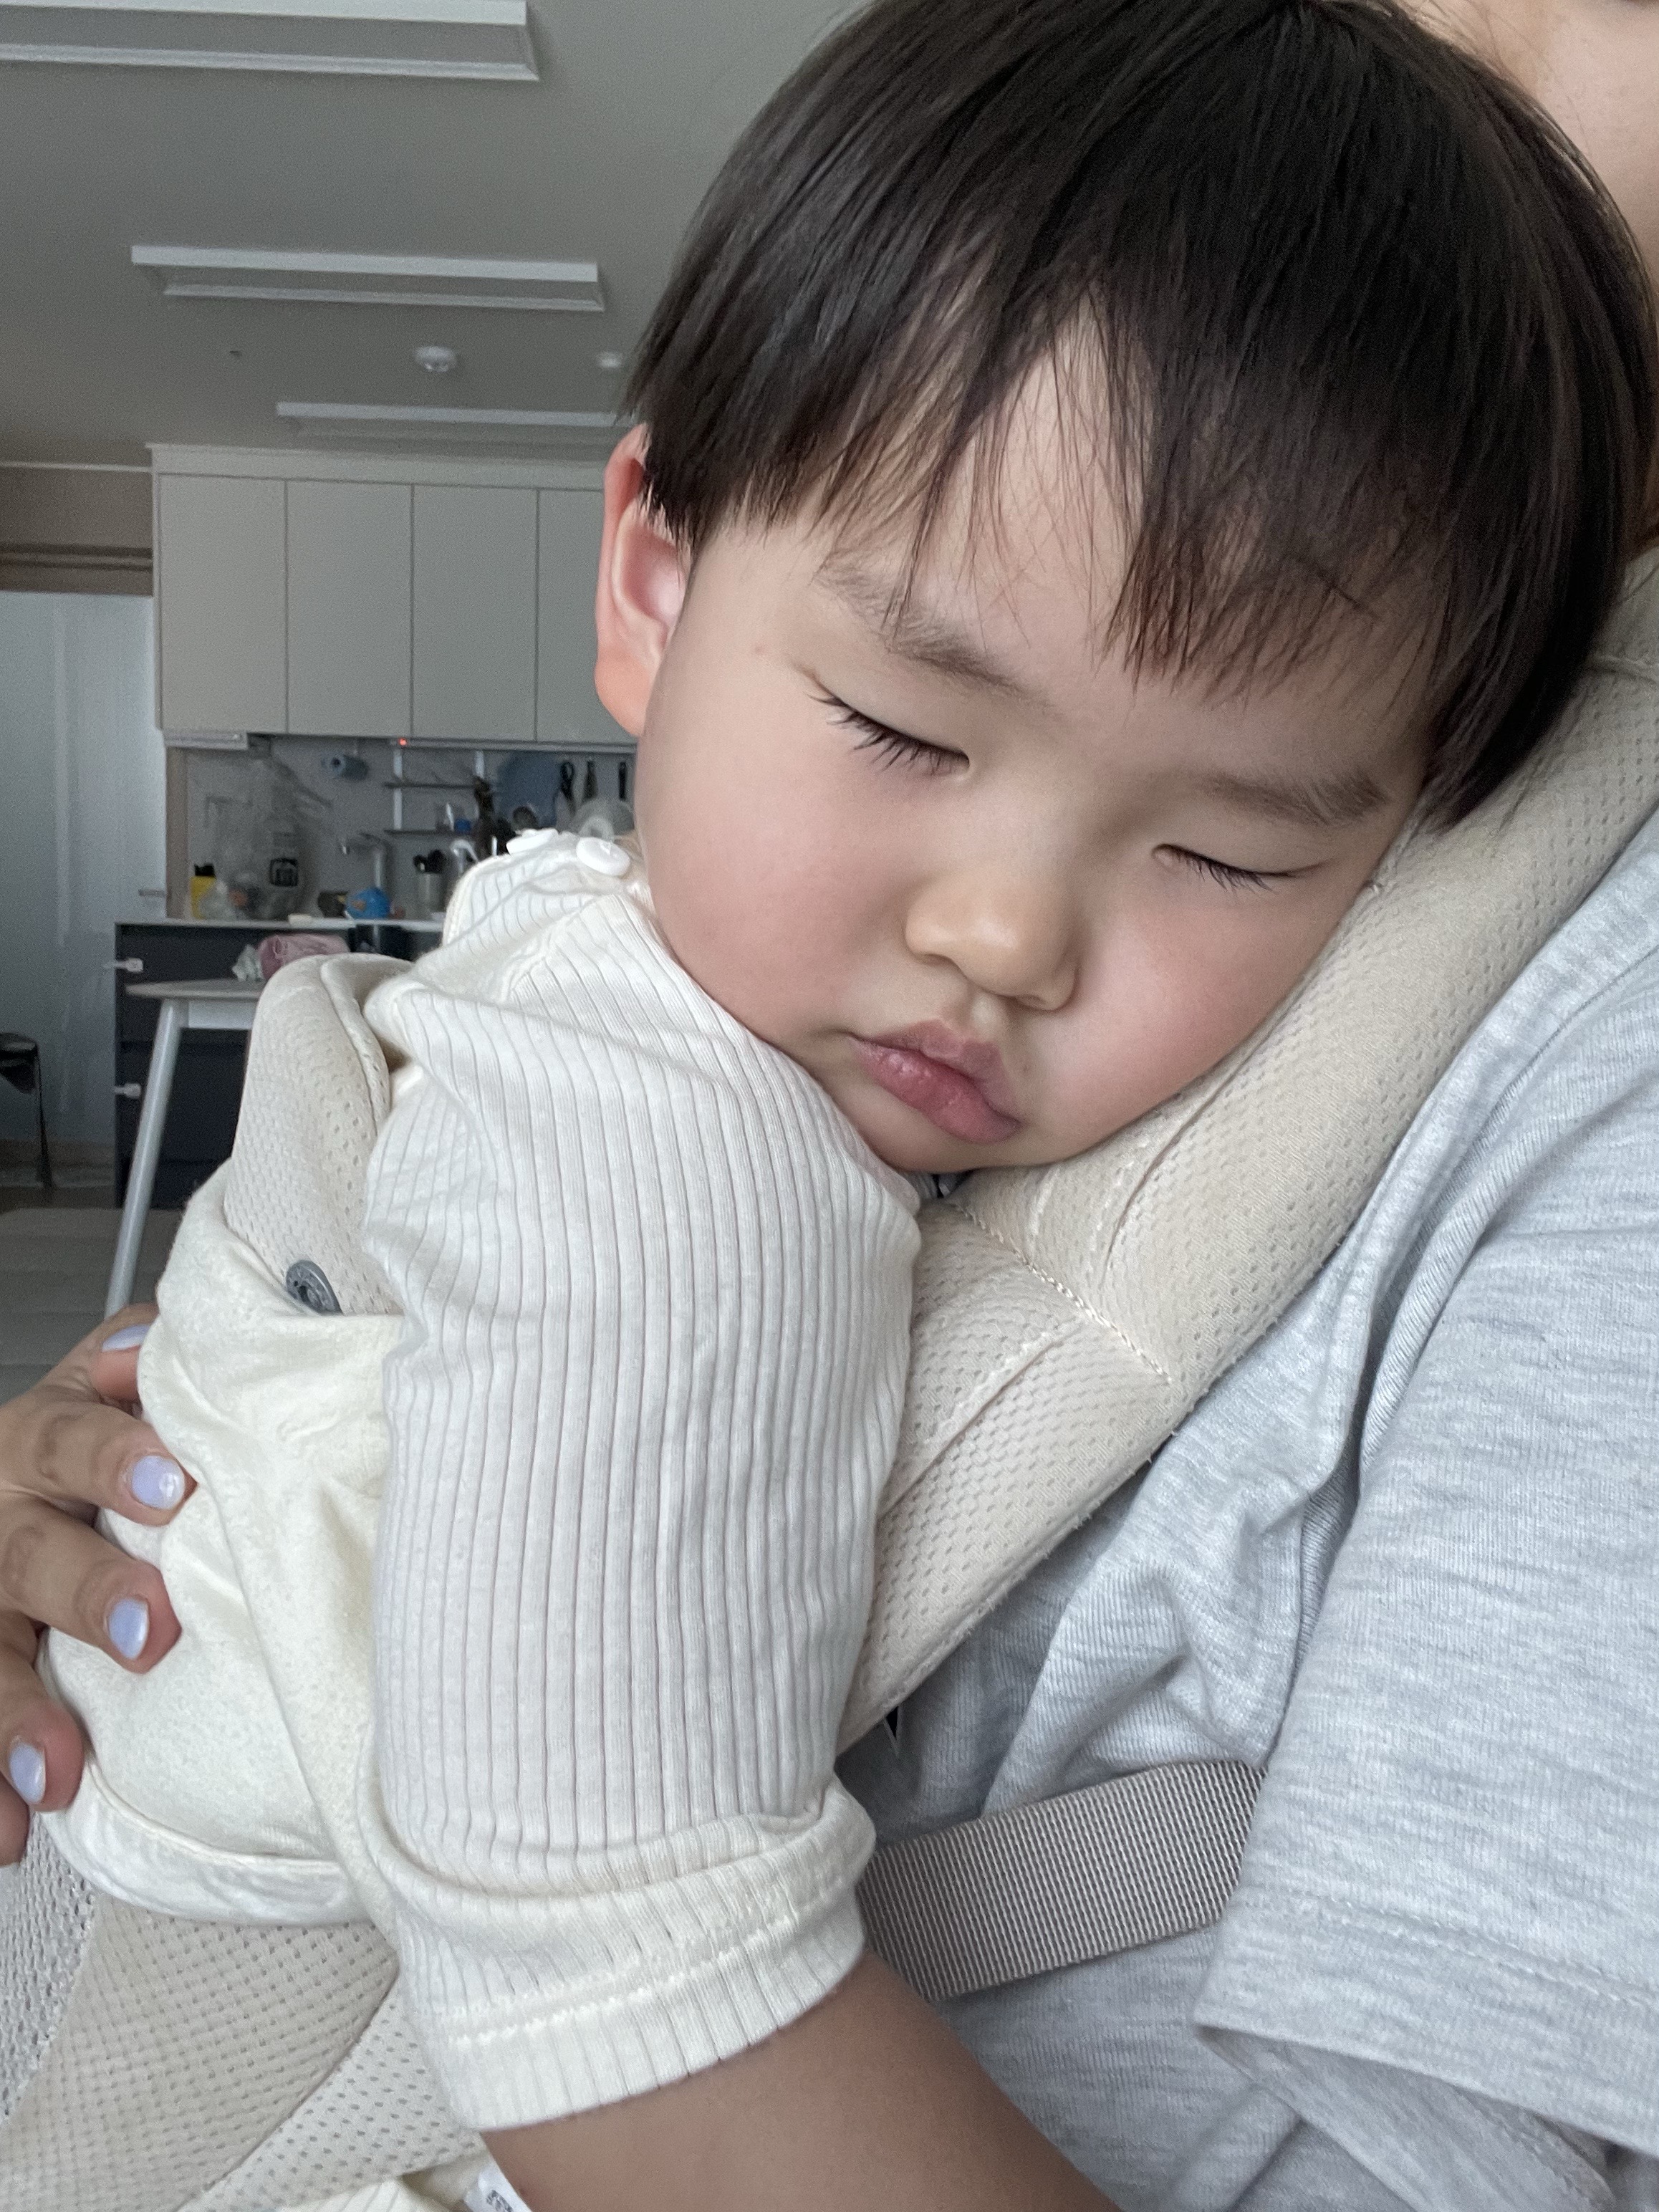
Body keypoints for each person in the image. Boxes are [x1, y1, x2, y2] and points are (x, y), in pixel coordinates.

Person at [1, 1, 1656, 2208]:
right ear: (651, 582)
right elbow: (613, 1943)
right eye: (902, 726)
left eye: (1231, 851)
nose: (1003, 932)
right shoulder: (663, 1133)